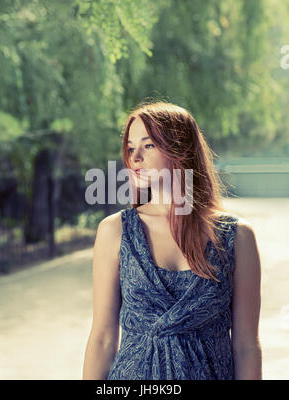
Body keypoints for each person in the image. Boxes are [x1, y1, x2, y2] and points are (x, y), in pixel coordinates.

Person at [82, 101, 262, 380]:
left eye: (148, 145)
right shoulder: (115, 231)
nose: (135, 158)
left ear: (180, 149)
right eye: (130, 148)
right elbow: (103, 339)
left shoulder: (237, 236)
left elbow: (246, 347)